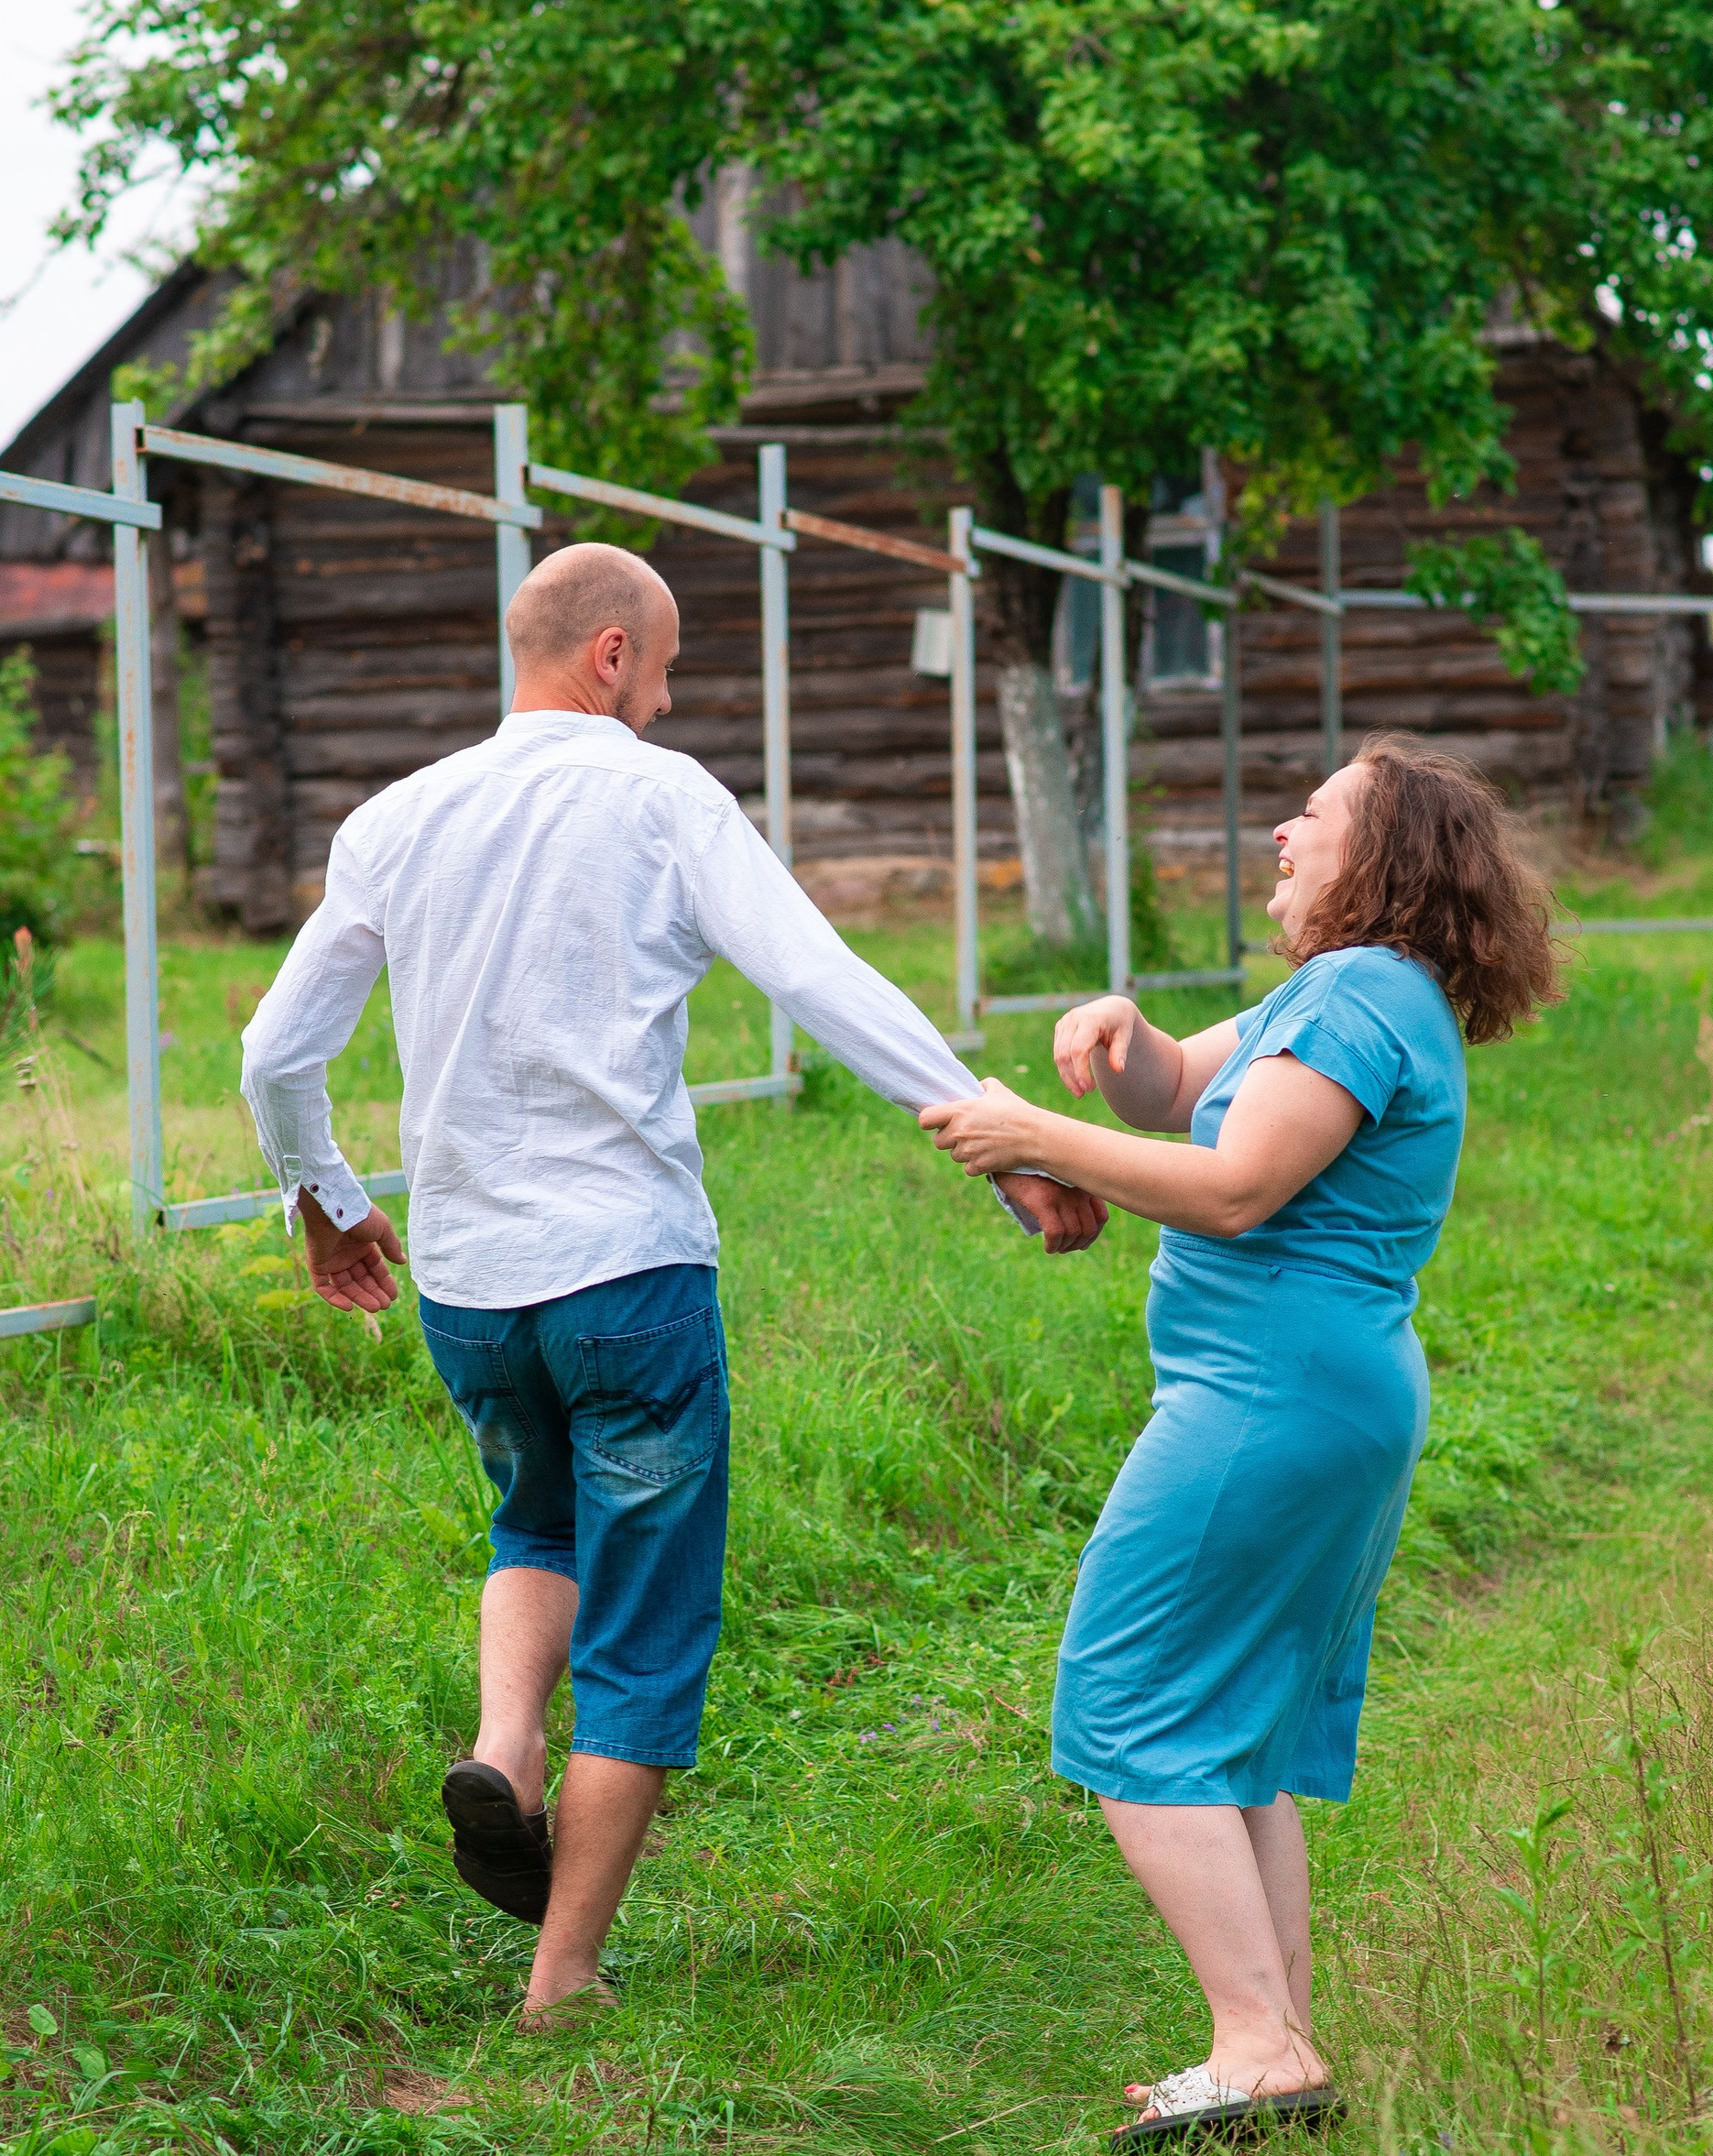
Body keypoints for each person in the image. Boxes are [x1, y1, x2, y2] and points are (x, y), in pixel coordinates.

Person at [240, 539, 1103, 2026]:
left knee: (534, 1518)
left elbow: (272, 1052)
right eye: (671, 668)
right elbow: (820, 977)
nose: (666, 699)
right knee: (644, 1622)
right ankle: (559, 1985)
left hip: (470, 1287)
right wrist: (995, 1139)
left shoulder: (396, 818)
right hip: (628, 1274)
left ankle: (506, 1751)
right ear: (613, 655)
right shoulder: (659, 798)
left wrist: (326, 1201)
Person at [919, 737, 1558, 2150]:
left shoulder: (1362, 995)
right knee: (1234, 1732)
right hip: (1312, 1395)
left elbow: (1235, 1187)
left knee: (1128, 1701)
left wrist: (1036, 1134)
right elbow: (1178, 1098)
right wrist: (1125, 1033)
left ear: (1381, 859)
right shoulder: (1332, 993)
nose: (1282, 830)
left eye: (1316, 816)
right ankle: (1276, 2046)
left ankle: (1257, 2044)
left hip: (1273, 1398)